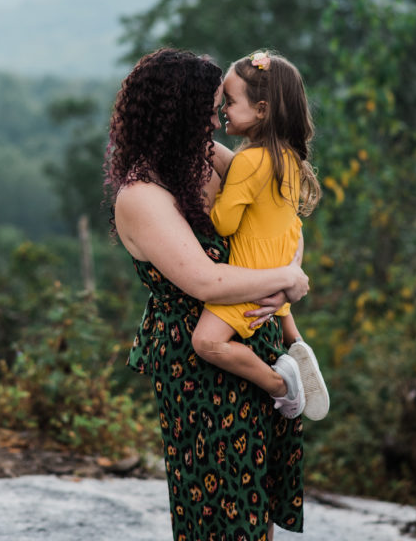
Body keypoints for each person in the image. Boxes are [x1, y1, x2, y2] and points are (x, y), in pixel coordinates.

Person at [107, 47, 311, 541]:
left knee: (257, 499)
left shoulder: (206, 158)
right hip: (199, 369)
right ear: (174, 114)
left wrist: (290, 270)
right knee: (219, 508)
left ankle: (285, 382)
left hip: (250, 336)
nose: (216, 121)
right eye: (207, 110)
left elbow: (281, 219)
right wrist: (288, 280)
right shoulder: (141, 196)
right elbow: (204, 281)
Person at [191, 50, 329, 422]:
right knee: (280, 315)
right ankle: (296, 345)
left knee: (205, 342)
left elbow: (224, 225)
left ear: (262, 110)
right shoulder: (287, 156)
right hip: (281, 257)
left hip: (252, 270)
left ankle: (282, 385)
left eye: (231, 102)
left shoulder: (249, 162)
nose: (224, 112)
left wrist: (211, 199)